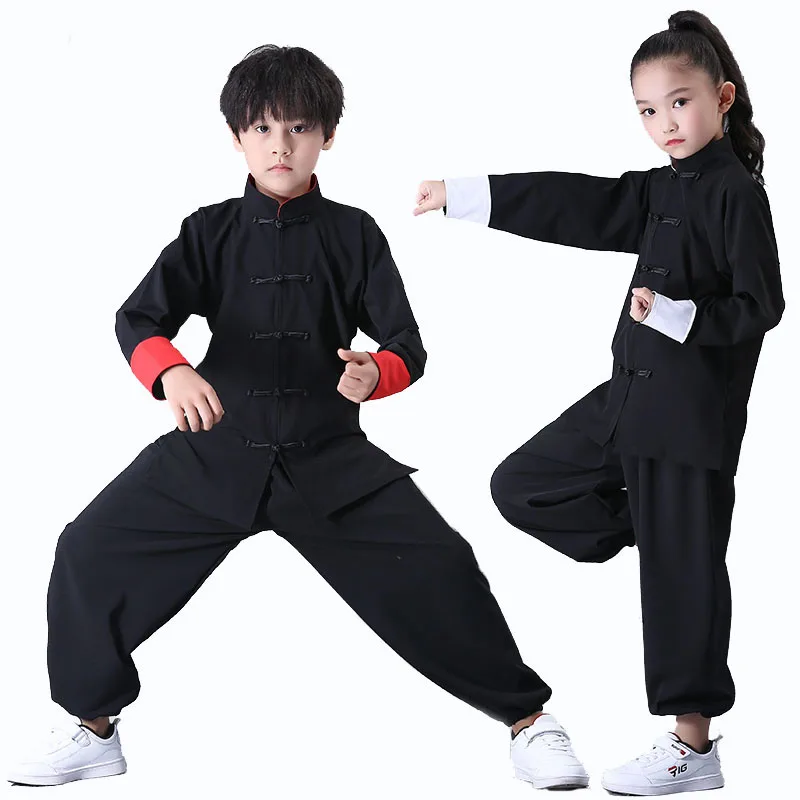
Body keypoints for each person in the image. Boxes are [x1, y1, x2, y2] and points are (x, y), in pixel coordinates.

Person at [7, 44, 589, 790]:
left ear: (327, 136)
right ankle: (92, 728)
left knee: (443, 565)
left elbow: (407, 346)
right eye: (262, 129)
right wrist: (172, 371)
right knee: (86, 549)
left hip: (328, 460)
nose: (280, 145)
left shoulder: (355, 233)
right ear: (236, 137)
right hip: (212, 450)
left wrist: (373, 373)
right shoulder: (208, 231)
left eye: (298, 128)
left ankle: (529, 723)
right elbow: (138, 318)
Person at [413, 9, 784, 797]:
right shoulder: (658, 189)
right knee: (521, 485)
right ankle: (669, 536)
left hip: (688, 423)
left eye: (679, 102)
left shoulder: (735, 194)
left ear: (720, 99)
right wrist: (463, 195)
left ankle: (693, 749)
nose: (664, 123)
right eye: (647, 110)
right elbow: (575, 203)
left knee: (681, 584)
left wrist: (679, 316)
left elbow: (763, 306)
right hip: (626, 401)